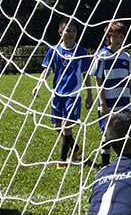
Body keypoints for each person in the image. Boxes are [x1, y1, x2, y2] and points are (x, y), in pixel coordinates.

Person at [32, 20, 93, 169]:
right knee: (57, 126)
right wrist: (38, 85)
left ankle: (62, 160)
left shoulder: (81, 51)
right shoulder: (54, 50)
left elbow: (86, 74)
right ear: (61, 33)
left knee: (66, 125)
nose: (71, 34)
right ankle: (75, 147)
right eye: (68, 31)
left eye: (74, 31)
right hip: (57, 93)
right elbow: (47, 69)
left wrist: (89, 94)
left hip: (73, 94)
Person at [89, 21, 131, 167]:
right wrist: (102, 103)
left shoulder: (126, 57)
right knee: (107, 134)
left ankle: (121, 165)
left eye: (121, 36)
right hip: (109, 103)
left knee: (122, 134)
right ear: (108, 37)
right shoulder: (102, 55)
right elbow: (99, 81)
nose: (117, 39)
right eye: (114, 36)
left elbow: (130, 81)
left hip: (124, 103)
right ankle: (105, 166)